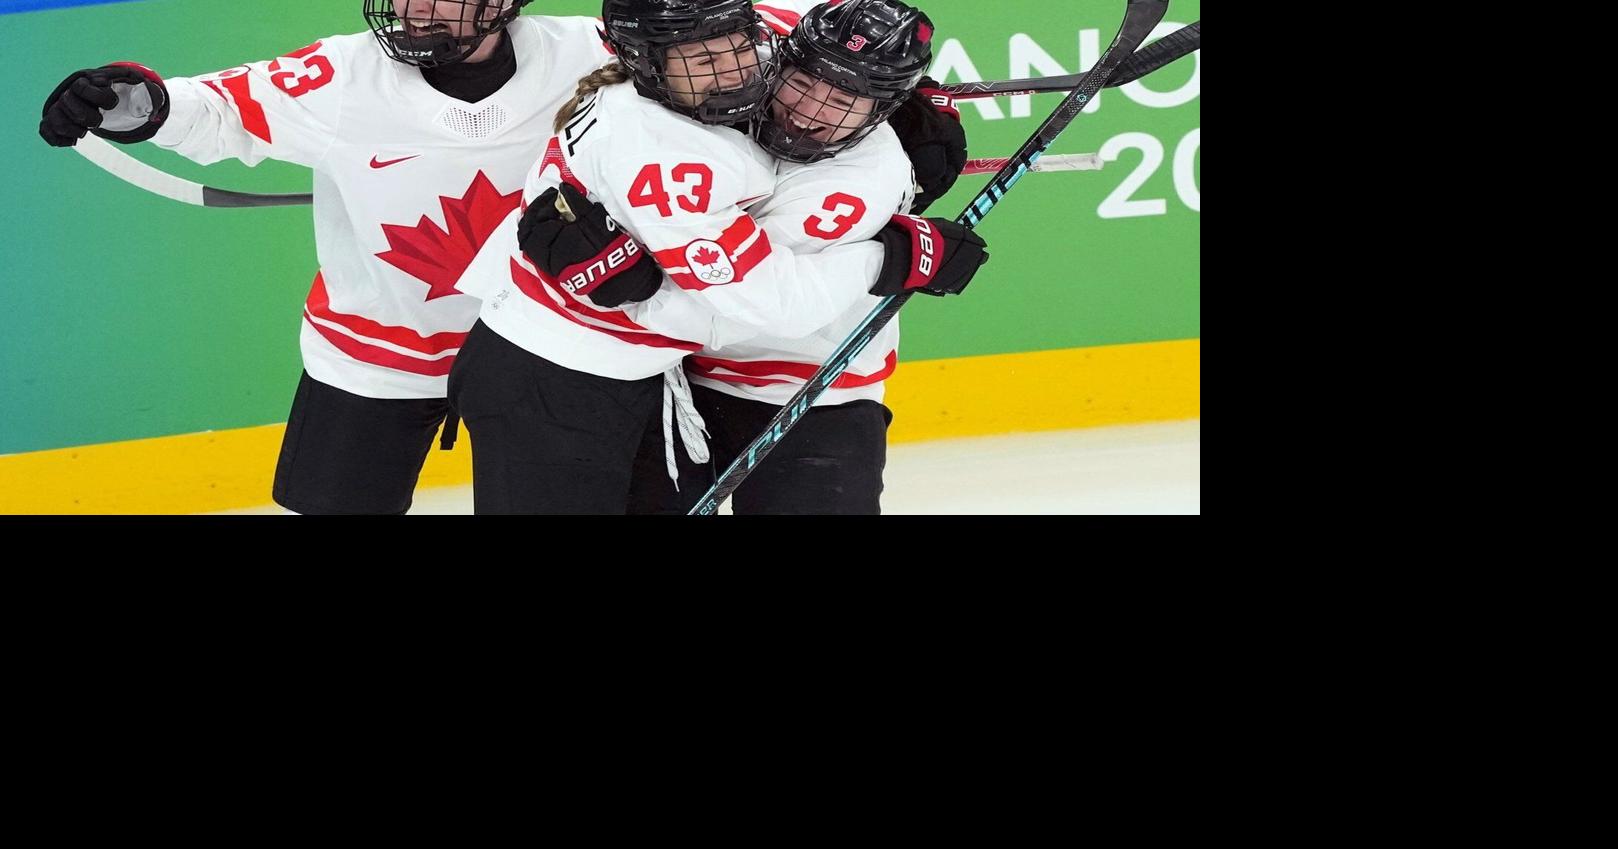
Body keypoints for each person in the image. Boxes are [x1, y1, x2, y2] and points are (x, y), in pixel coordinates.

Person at [38, 1, 611, 514]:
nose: (414, 7)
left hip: (542, 350)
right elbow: (217, 111)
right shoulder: (341, 76)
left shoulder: (589, 53)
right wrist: (128, 100)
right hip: (376, 353)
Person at [448, 0, 986, 514]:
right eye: (705, 60)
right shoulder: (674, 157)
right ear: (646, 60)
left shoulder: (747, 63)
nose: (730, 71)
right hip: (557, 380)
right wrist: (894, 259)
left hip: (643, 380)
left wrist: (896, 71)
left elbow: (812, 25)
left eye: (736, 46)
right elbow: (773, 304)